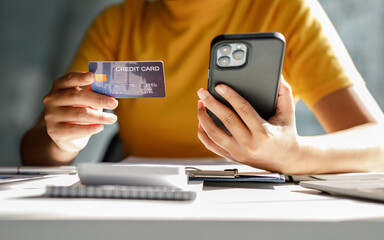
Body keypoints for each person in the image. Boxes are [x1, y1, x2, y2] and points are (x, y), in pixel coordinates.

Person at [21, 0, 384, 174]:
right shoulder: (116, 23)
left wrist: (294, 155)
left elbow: (378, 142)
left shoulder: (289, 10)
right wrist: (60, 139)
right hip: (146, 213)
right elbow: (35, 151)